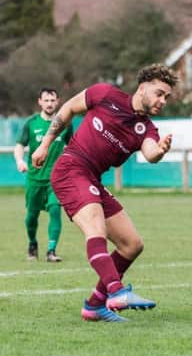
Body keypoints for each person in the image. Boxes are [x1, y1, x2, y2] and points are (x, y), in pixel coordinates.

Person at [31, 64, 178, 322]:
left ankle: (94, 306)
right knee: (95, 229)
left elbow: (151, 152)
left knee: (132, 245)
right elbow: (67, 109)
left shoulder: (146, 129)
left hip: (92, 180)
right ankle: (116, 291)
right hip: (70, 168)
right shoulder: (105, 94)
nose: (162, 101)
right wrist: (45, 145)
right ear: (142, 88)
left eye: (166, 97)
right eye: (159, 93)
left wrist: (161, 150)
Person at [14, 88, 73, 262]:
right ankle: (32, 243)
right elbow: (19, 145)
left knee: (55, 210)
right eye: (46, 100)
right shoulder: (31, 123)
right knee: (31, 217)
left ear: (58, 102)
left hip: (56, 179)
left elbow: (72, 147)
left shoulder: (66, 124)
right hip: (34, 179)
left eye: (52, 100)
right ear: (40, 102)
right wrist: (20, 161)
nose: (49, 103)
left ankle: (51, 251)